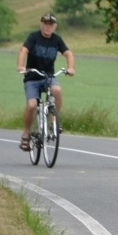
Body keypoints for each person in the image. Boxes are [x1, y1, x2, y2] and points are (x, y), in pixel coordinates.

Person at [17, 12, 75, 151]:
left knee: (57, 90)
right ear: (41, 24)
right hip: (32, 77)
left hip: (48, 76)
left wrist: (70, 68)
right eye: (45, 23)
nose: (47, 27)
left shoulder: (57, 40)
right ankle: (26, 133)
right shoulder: (34, 37)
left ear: (55, 26)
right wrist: (21, 66)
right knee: (31, 105)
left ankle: (54, 120)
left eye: (50, 24)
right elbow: (23, 50)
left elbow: (68, 53)